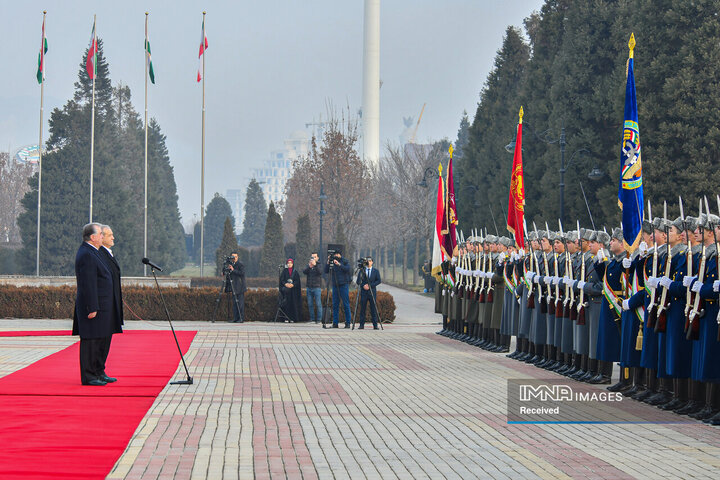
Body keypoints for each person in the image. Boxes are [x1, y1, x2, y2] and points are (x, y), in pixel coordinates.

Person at [71, 223, 116, 386]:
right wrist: (92, 307)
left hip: (101, 307)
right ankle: (89, 376)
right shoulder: (86, 254)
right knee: (91, 342)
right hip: (93, 308)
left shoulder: (93, 252)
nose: (103, 237)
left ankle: (98, 371)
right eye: (100, 235)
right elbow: (88, 283)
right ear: (93, 237)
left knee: (100, 341)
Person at [95, 224, 124, 382]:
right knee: (100, 340)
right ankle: (97, 371)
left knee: (107, 340)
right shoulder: (100, 254)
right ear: (101, 236)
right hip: (104, 305)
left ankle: (101, 370)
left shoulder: (108, 254)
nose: (113, 237)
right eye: (109, 235)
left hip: (111, 303)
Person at [324, 251, 352, 328]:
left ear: (340, 255)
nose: (336, 256)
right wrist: (328, 261)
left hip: (343, 284)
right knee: (335, 304)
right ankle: (335, 323)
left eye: (337, 254)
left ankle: (348, 322)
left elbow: (347, 269)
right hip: (335, 285)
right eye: (334, 255)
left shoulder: (344, 261)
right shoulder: (331, 261)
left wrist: (339, 264)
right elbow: (326, 271)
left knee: (346, 304)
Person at [356, 257, 382, 329]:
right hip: (364, 292)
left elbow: (379, 280)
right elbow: (358, 281)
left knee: (373, 309)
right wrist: (363, 285)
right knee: (362, 309)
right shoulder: (362, 270)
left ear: (372, 262)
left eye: (370, 261)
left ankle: (375, 325)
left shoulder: (375, 271)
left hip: (372, 292)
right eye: (367, 261)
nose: (369, 262)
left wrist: (370, 286)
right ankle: (361, 325)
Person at [279, 258, 302, 322]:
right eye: (288, 263)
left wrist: (293, 285)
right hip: (286, 292)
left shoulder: (295, 272)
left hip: (293, 292)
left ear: (293, 264)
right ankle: (286, 318)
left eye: (291, 263)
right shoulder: (284, 271)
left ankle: (293, 318)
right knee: (286, 304)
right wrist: (285, 284)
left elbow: (297, 281)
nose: (289, 264)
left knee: (293, 305)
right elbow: (281, 280)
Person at [303, 252, 323, 323]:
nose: (313, 258)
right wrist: (309, 266)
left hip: (317, 287)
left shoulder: (319, 265)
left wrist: (315, 265)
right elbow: (304, 272)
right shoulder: (309, 265)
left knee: (318, 303)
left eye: (314, 257)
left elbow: (320, 272)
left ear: (317, 258)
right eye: (312, 257)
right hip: (309, 287)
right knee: (310, 304)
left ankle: (319, 319)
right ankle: (312, 318)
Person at [227, 251, 246, 323]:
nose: (234, 258)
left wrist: (233, 270)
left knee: (240, 304)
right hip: (234, 286)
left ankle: (241, 318)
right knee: (235, 303)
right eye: (233, 257)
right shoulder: (231, 264)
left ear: (238, 257)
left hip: (240, 287)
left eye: (235, 257)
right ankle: (235, 318)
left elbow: (242, 273)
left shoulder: (240, 264)